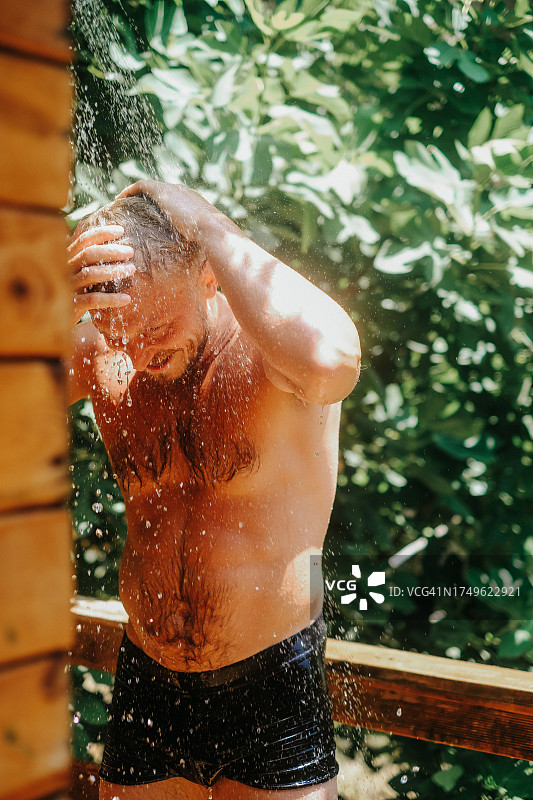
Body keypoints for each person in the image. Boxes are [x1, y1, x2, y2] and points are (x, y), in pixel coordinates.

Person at [68, 180, 361, 800]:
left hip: (271, 679)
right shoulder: (104, 351)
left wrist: (206, 223)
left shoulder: (272, 347)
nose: (137, 353)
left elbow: (331, 361)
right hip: (148, 675)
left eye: (157, 327)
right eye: (119, 332)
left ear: (207, 275)